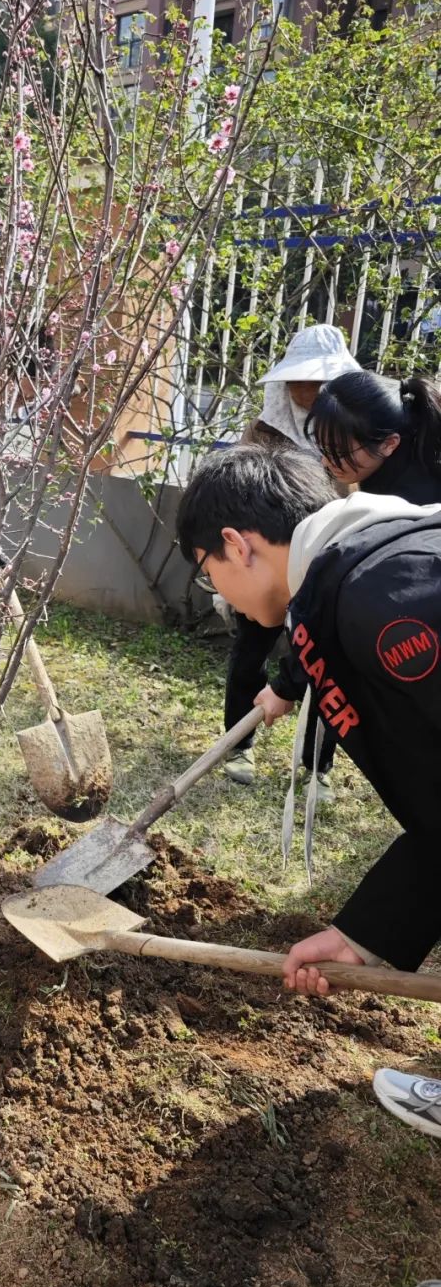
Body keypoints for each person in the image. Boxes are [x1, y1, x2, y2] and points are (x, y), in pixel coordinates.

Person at [177, 443, 441, 1138]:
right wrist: (364, 934)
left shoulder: (387, 596)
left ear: (235, 545)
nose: (218, 595)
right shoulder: (359, 574)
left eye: (208, 575)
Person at [221, 324, 358, 789]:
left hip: (325, 566)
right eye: (300, 380)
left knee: (325, 667)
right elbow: (236, 496)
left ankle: (317, 764)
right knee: (250, 654)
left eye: (318, 382)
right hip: (265, 568)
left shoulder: (351, 433)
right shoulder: (261, 432)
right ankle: (237, 747)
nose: (308, 390)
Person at [307, 369, 441, 504]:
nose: (325, 462)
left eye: (339, 452)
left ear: (389, 444)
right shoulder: (386, 468)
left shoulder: (409, 505)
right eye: (322, 448)